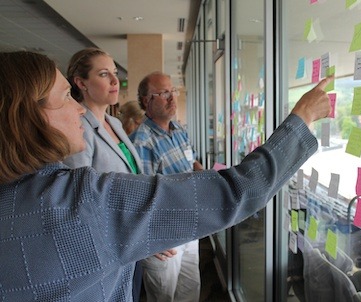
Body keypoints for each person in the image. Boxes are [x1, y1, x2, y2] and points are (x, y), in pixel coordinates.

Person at [0, 50, 332, 302]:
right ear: (26, 115)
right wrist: (301, 120)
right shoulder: (84, 199)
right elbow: (235, 192)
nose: (80, 109)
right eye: (65, 98)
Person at [62, 48, 143, 301]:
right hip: (111, 243)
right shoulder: (78, 128)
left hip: (134, 235)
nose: (115, 81)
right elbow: (81, 198)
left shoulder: (116, 123)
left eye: (115, 73)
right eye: (104, 74)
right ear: (81, 82)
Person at [130, 72, 203, 302]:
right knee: (164, 298)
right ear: (146, 101)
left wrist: (203, 172)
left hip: (190, 227)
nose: (172, 98)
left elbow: (192, 162)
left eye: (173, 91)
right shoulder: (142, 141)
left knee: (190, 292)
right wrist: (147, 240)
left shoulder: (178, 129)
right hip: (164, 238)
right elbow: (139, 198)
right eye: (163, 94)